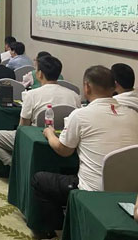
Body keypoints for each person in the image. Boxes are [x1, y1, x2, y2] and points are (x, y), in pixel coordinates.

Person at [31, 65, 138, 237]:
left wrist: (50, 134)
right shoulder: (133, 115)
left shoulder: (80, 115)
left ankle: (55, 230)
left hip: (92, 192)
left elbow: (64, 150)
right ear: (114, 87)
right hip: (130, 193)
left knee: (40, 180)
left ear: (87, 87)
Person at [0, 55, 81, 166]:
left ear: (40, 74)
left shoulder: (32, 95)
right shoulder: (74, 95)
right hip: (64, 142)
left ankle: (15, 166)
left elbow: (23, 128)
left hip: (35, 141)